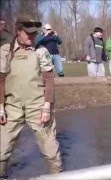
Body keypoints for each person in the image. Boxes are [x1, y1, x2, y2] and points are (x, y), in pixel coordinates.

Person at [0, 14, 63, 178]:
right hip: (11, 108)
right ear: (18, 31)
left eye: (35, 33)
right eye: (28, 33)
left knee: (51, 153)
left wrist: (47, 106)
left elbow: (49, 79)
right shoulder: (6, 51)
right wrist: (1, 107)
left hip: (38, 108)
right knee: (1, 152)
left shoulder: (41, 51)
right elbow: (0, 80)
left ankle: (59, 177)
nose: (32, 36)